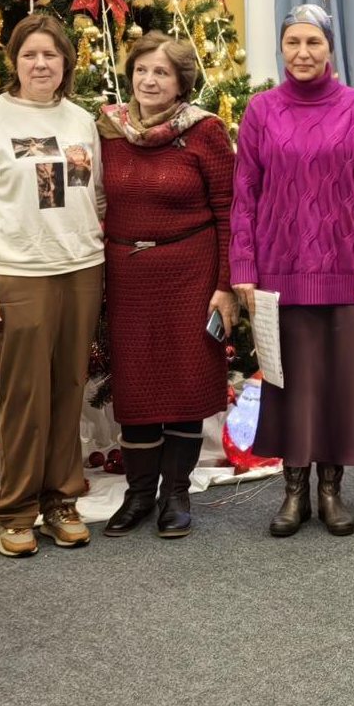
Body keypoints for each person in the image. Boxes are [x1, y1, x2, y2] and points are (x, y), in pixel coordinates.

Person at [232, 5, 354, 538]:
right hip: (279, 272)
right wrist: (244, 268)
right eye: (292, 43)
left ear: (330, 49)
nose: (302, 53)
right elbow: (245, 199)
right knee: (289, 385)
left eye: (313, 43)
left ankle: (331, 490)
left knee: (340, 385)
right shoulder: (260, 111)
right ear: (282, 49)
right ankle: (294, 490)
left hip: (345, 272)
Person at [0, 13, 105, 558]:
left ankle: (63, 500)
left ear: (66, 62)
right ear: (14, 62)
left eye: (50, 55)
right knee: (24, 396)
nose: (40, 64)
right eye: (29, 55)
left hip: (82, 269)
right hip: (17, 274)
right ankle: (15, 510)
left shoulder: (82, 120)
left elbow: (97, 198)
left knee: (69, 389)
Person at [98, 32, 235, 540]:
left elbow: (229, 211)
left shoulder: (205, 132)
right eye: (141, 70)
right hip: (128, 275)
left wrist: (226, 285)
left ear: (181, 83)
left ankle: (175, 493)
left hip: (191, 273)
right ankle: (138, 494)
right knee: (135, 384)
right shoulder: (108, 130)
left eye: (162, 73)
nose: (149, 80)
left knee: (184, 380)